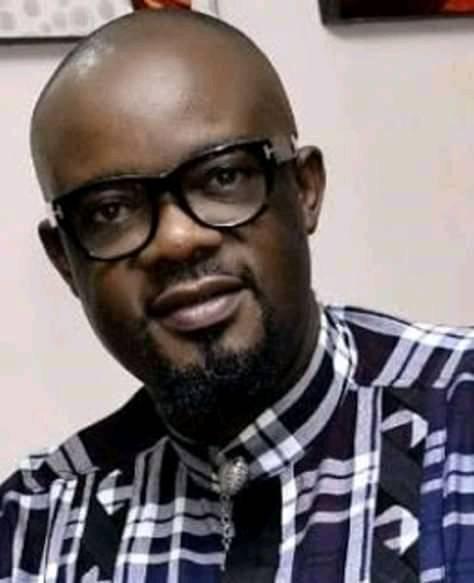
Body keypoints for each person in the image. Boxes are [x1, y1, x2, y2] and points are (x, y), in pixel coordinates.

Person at [1, 8, 473, 583]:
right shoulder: (37, 530)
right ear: (66, 262)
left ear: (304, 189)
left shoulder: (459, 421)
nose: (177, 240)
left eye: (223, 177)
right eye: (111, 210)